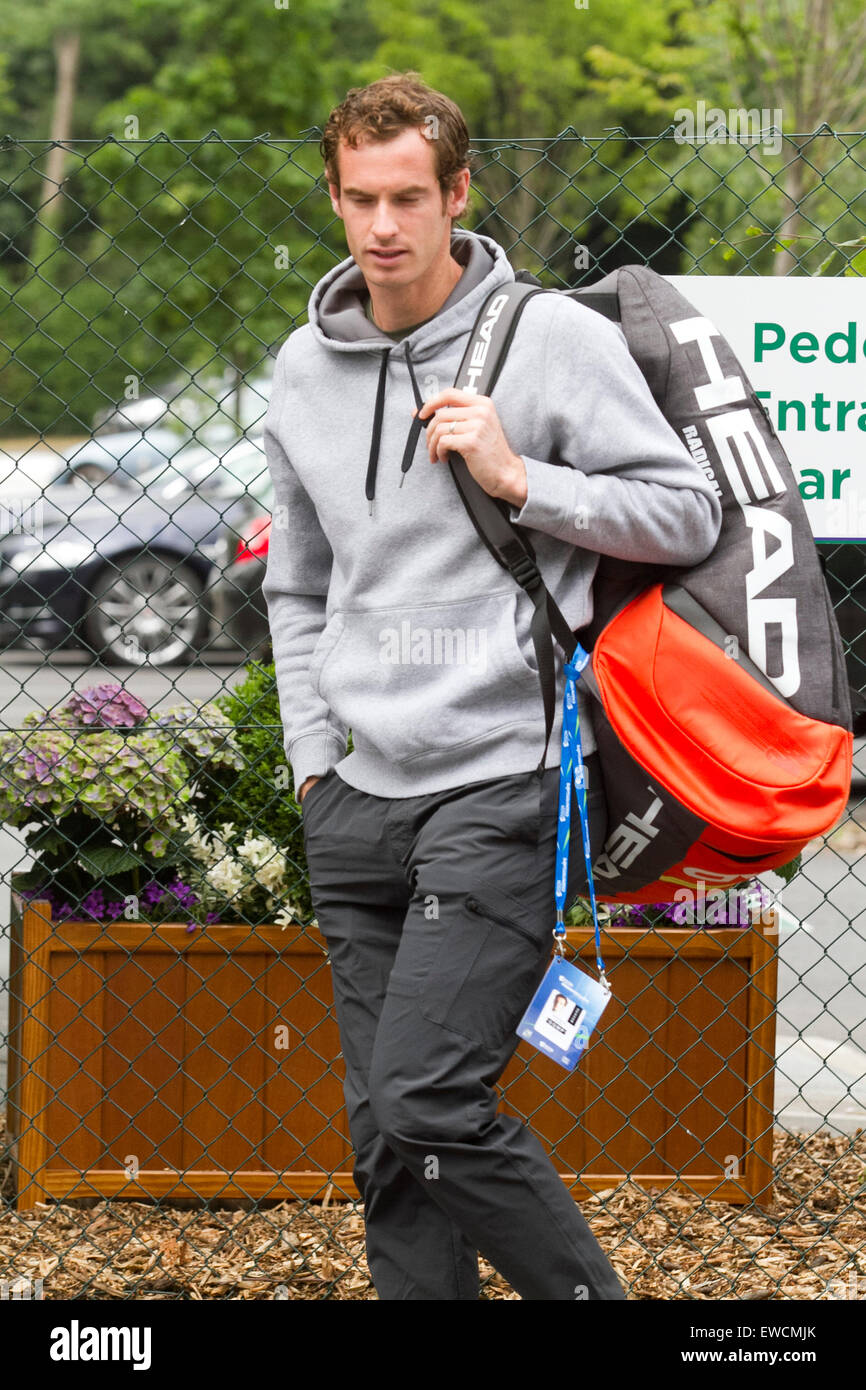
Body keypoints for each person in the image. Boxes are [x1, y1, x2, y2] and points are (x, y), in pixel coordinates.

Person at [262, 71, 722, 1301]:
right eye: (358, 198)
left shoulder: (550, 340)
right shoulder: (300, 372)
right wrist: (311, 759)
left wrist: (525, 479)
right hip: (353, 796)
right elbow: (296, 587)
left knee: (426, 1096)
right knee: (387, 1143)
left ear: (456, 193)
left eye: (408, 196)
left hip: (498, 786)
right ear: (333, 195)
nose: (382, 228)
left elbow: (686, 511)